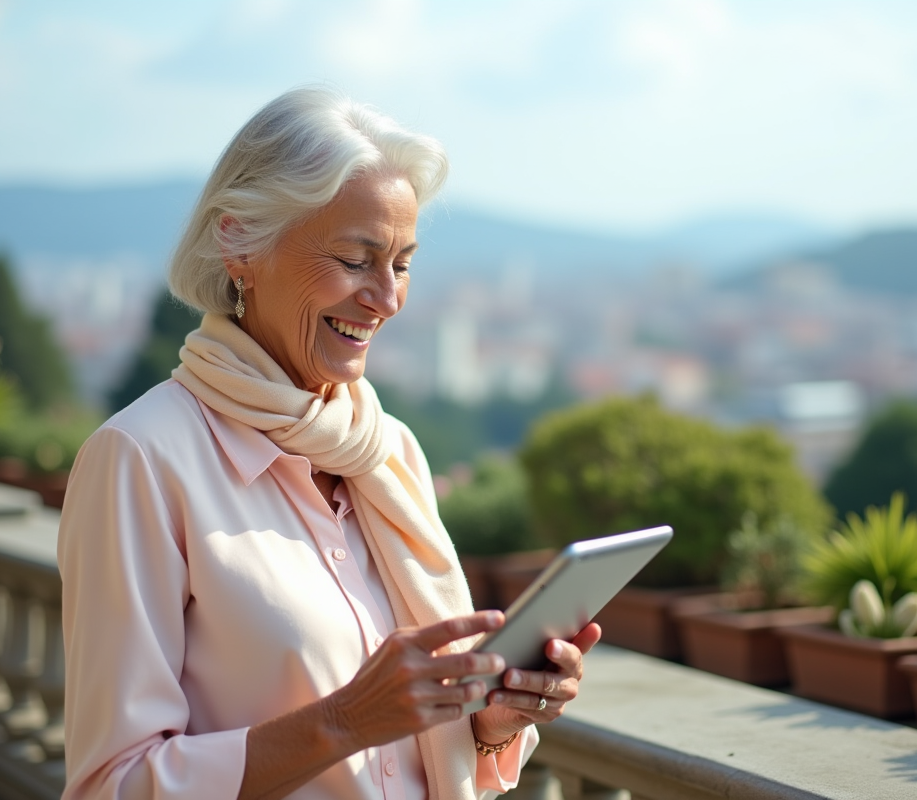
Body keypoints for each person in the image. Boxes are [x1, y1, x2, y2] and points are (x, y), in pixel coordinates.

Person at [57, 87, 601, 800]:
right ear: (239, 245)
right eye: (354, 258)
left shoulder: (390, 451)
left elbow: (416, 744)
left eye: (401, 263)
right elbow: (110, 785)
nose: (387, 297)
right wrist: (343, 723)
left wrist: (492, 718)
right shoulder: (140, 459)